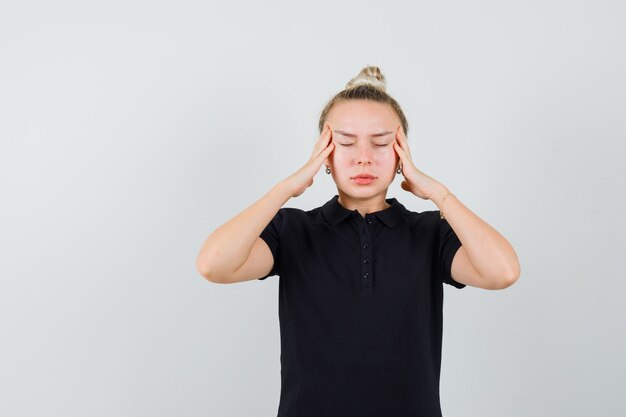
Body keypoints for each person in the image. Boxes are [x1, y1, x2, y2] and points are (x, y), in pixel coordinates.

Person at [195, 66, 521, 417]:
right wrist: (285, 189)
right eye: (346, 143)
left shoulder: (429, 233)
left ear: (402, 154)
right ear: (324, 155)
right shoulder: (293, 231)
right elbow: (213, 264)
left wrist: (438, 194)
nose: (363, 156)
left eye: (381, 143)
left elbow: (502, 272)